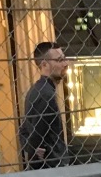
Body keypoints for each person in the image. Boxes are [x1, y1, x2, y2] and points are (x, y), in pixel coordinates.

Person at [20, 42, 70, 170]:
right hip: (51, 167)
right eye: (59, 60)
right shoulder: (45, 94)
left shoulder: (40, 90)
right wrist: (35, 152)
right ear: (44, 65)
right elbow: (36, 136)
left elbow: (25, 131)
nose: (65, 64)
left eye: (64, 58)